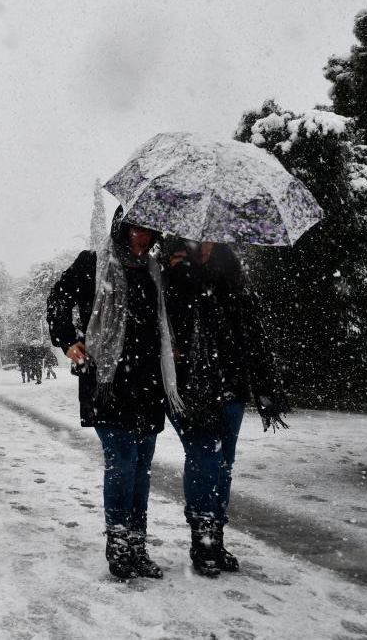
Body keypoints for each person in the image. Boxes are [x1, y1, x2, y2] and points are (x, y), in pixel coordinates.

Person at [47, 208, 182, 580]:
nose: (144, 235)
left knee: (142, 466)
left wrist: (182, 269)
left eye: (150, 228)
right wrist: (67, 340)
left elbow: (170, 315)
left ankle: (137, 544)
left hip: (148, 379)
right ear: (121, 228)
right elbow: (58, 300)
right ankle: (118, 544)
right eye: (137, 227)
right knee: (122, 460)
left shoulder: (155, 269)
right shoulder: (93, 263)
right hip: (108, 379)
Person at [165, 239, 288, 577]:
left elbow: (252, 334)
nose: (203, 245)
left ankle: (215, 537)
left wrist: (264, 384)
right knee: (204, 455)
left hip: (230, 382)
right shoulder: (170, 274)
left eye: (209, 238)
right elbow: (162, 325)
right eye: (197, 239)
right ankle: (202, 539)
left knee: (223, 463)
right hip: (190, 385)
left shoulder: (232, 275)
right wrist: (183, 275)